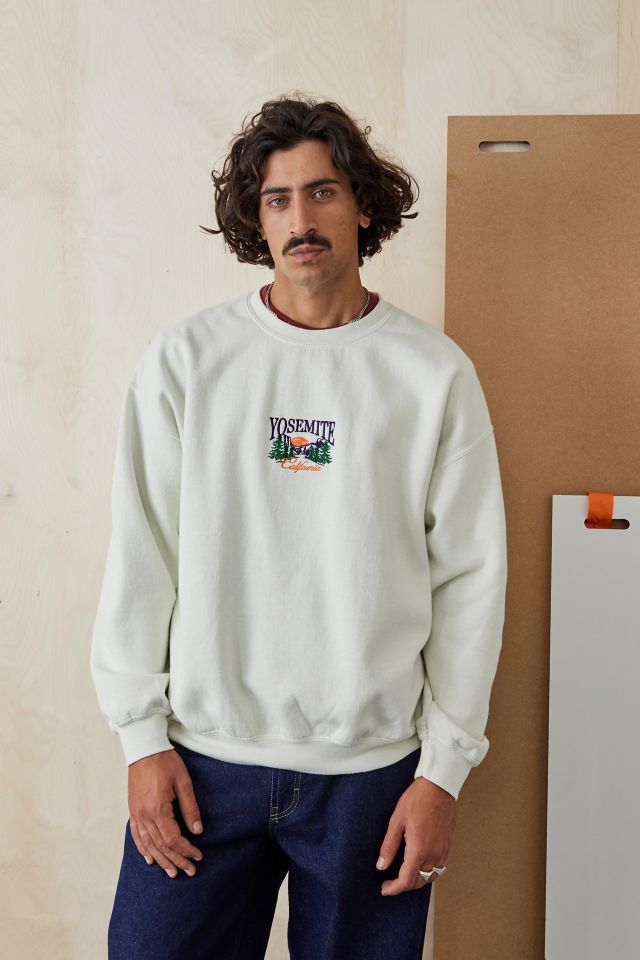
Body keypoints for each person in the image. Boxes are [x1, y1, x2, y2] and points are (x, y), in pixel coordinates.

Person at [90, 92, 508, 960]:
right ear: (257, 218)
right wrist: (139, 741)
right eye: (277, 199)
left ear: (364, 206)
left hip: (372, 778)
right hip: (201, 768)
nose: (300, 219)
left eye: (322, 192)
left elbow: (471, 582)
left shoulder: (433, 375)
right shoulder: (186, 362)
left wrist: (443, 774)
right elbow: (142, 554)